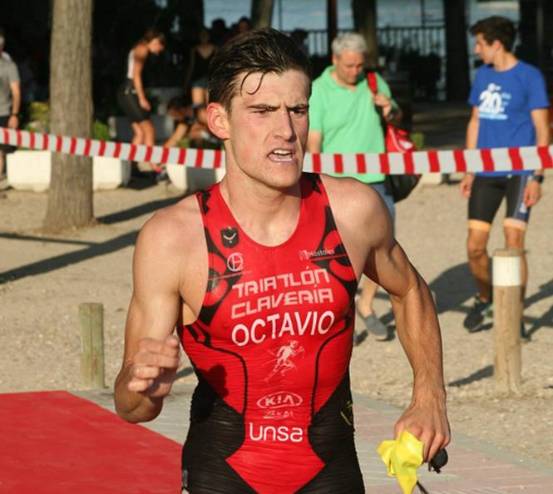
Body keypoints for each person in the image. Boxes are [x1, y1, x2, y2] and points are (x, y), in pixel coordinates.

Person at [114, 28, 449, 493]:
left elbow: (410, 289)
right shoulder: (173, 238)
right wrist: (143, 387)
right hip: (222, 473)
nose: (287, 131)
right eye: (262, 111)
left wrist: (429, 396)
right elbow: (131, 406)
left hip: (330, 474)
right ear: (219, 120)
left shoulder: (352, 210)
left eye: (297, 110)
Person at [307, 32, 401, 342]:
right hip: (339, 184)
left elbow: (397, 117)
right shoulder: (319, 90)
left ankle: (366, 304)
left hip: (376, 179)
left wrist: (388, 108)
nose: (355, 71)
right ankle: (340, 312)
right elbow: (314, 140)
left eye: (360, 65)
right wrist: (316, 183)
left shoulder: (373, 81)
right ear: (334, 60)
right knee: (340, 252)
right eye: (349, 65)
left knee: (383, 247)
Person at [460, 16, 550, 336]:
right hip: (485, 171)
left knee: (513, 242)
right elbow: (475, 121)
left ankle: (513, 313)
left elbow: (543, 128)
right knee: (475, 247)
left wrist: (537, 177)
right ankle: (485, 298)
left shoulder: (529, 76)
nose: (476, 49)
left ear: (496, 44)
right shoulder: (483, 75)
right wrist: (470, 168)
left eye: (480, 43)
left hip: (520, 172)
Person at [116, 29, 165, 172]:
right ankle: (154, 166)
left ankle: (130, 168)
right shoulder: (142, 49)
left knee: (140, 133)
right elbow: (136, 75)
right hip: (129, 92)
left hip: (126, 92)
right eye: (160, 46)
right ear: (155, 41)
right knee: (149, 129)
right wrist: (142, 98)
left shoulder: (139, 47)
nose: (160, 50)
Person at [0, 28, 21, 185]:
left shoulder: (9, 66)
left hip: (3, 112)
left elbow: (16, 91)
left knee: (0, 151)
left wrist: (14, 114)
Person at [184, 27, 217, 114]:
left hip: (210, 80)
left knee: (210, 108)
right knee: (198, 109)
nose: (204, 37)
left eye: (205, 35)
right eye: (202, 35)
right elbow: (191, 67)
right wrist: (187, 82)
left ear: (209, 36)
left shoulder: (215, 48)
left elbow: (218, 65)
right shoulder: (194, 49)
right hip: (198, 80)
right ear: (199, 36)